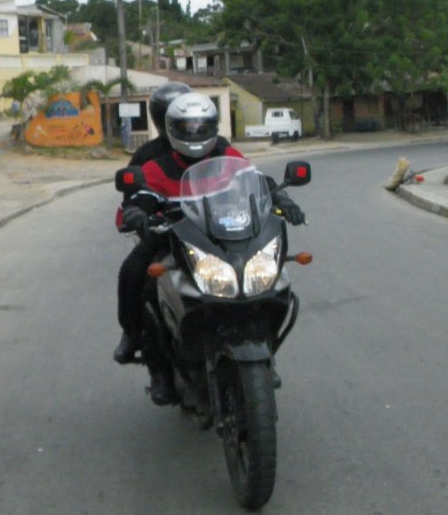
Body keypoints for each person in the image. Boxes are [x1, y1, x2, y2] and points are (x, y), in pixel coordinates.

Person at [113, 92, 304, 405]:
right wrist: (136, 212)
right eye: (187, 128)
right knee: (140, 278)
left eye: (201, 127)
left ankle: (263, 355)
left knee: (268, 273)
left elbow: (254, 178)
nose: (195, 134)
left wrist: (280, 199)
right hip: (170, 236)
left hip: (221, 234)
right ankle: (154, 363)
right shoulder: (154, 162)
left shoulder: (225, 154)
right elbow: (136, 196)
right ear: (171, 127)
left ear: (214, 126)